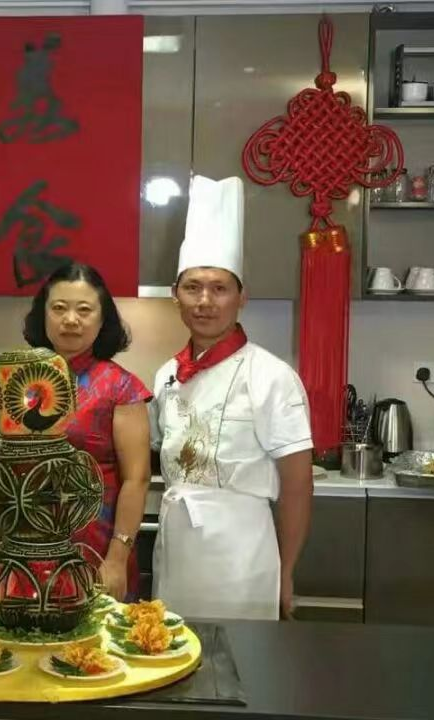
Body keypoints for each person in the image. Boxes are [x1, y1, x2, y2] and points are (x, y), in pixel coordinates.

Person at [150, 175, 313, 621]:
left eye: (219, 288)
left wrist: (286, 572)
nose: (205, 301)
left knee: (243, 659)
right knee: (171, 650)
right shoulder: (167, 375)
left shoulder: (271, 376)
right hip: (177, 552)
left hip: (243, 559)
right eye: (192, 287)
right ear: (175, 297)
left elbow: (298, 485)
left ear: (242, 298)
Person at [23, 263, 152, 601]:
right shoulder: (21, 380)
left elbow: (136, 479)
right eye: (59, 308)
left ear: (102, 318)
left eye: (84, 310)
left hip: (97, 547)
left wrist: (117, 558)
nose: (70, 320)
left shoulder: (121, 387)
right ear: (43, 315)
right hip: (26, 545)